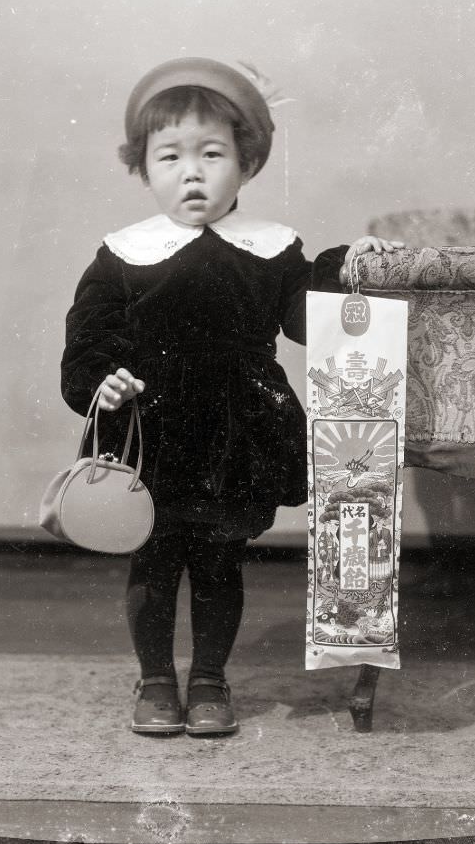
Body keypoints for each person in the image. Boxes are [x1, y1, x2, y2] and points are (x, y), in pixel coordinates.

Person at [60, 57, 403, 738]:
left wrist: (343, 269)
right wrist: (103, 378)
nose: (192, 172)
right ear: (143, 167)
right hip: (149, 430)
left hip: (235, 430)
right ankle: (157, 679)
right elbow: (88, 341)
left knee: (219, 559)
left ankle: (210, 677)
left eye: (212, 154)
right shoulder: (123, 255)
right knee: (152, 560)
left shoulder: (271, 250)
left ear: (246, 162)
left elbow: (310, 320)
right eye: (170, 156)